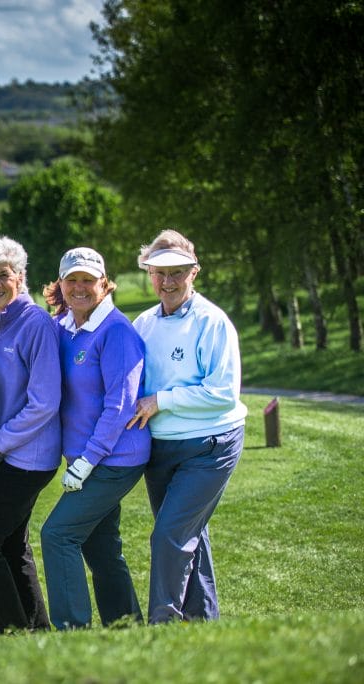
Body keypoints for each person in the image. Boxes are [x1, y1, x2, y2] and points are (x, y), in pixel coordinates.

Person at [126, 229, 247, 624]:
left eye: (177, 272)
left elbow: (224, 393)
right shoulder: (143, 323)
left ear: (194, 272)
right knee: (189, 534)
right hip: (161, 448)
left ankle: (162, 625)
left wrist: (162, 400)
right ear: (149, 274)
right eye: (159, 273)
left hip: (210, 446)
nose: (168, 281)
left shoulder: (213, 322)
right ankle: (201, 622)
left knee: (169, 537)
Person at [39, 247, 150, 630]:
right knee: (100, 547)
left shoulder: (116, 331)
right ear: (61, 284)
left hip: (115, 459)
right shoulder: (66, 326)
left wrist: (87, 460)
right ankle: (127, 627)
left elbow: (120, 404)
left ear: (104, 284)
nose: (80, 287)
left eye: (88, 280)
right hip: (88, 458)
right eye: (72, 280)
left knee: (58, 534)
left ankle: (72, 630)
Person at [0, 236, 61, 634]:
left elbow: (44, 403)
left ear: (20, 276)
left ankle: (10, 630)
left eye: (4, 274)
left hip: (30, 457)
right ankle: (36, 629)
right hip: (12, 455)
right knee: (10, 544)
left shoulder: (34, 323)